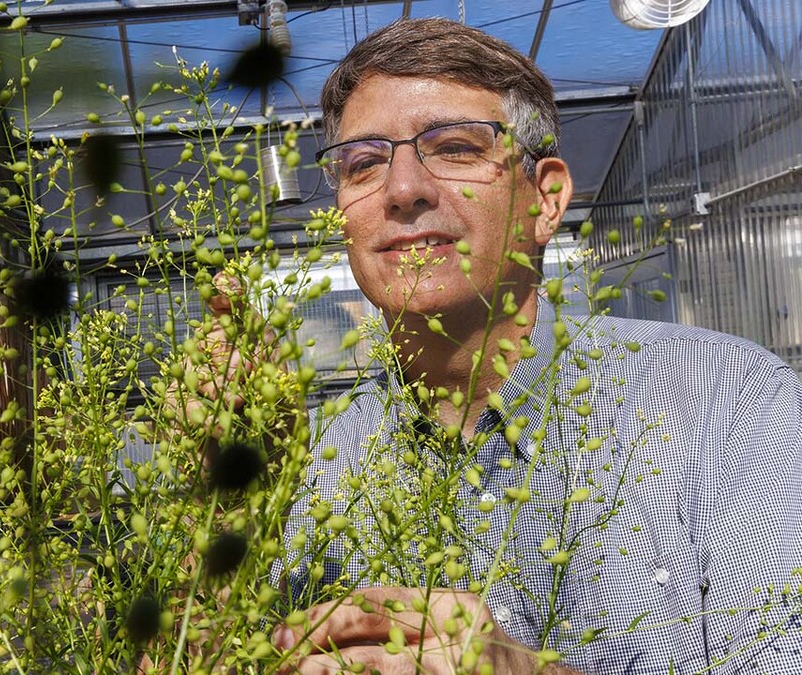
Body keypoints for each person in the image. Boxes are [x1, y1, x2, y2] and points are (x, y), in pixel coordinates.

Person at [189, 17, 802, 674]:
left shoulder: (730, 400)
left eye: (454, 147)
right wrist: (223, 499)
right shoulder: (315, 466)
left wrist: (518, 669)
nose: (402, 190)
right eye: (364, 162)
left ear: (546, 198)